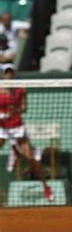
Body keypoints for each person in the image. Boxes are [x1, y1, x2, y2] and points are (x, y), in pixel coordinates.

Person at [0, 65, 53, 202]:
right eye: (7, 73)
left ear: (14, 75)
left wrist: (16, 110)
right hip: (2, 127)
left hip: (17, 127)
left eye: (11, 73)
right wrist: (3, 115)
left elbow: (24, 107)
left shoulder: (21, 90)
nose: (9, 76)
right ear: (4, 75)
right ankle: (14, 149)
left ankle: (46, 187)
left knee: (30, 157)